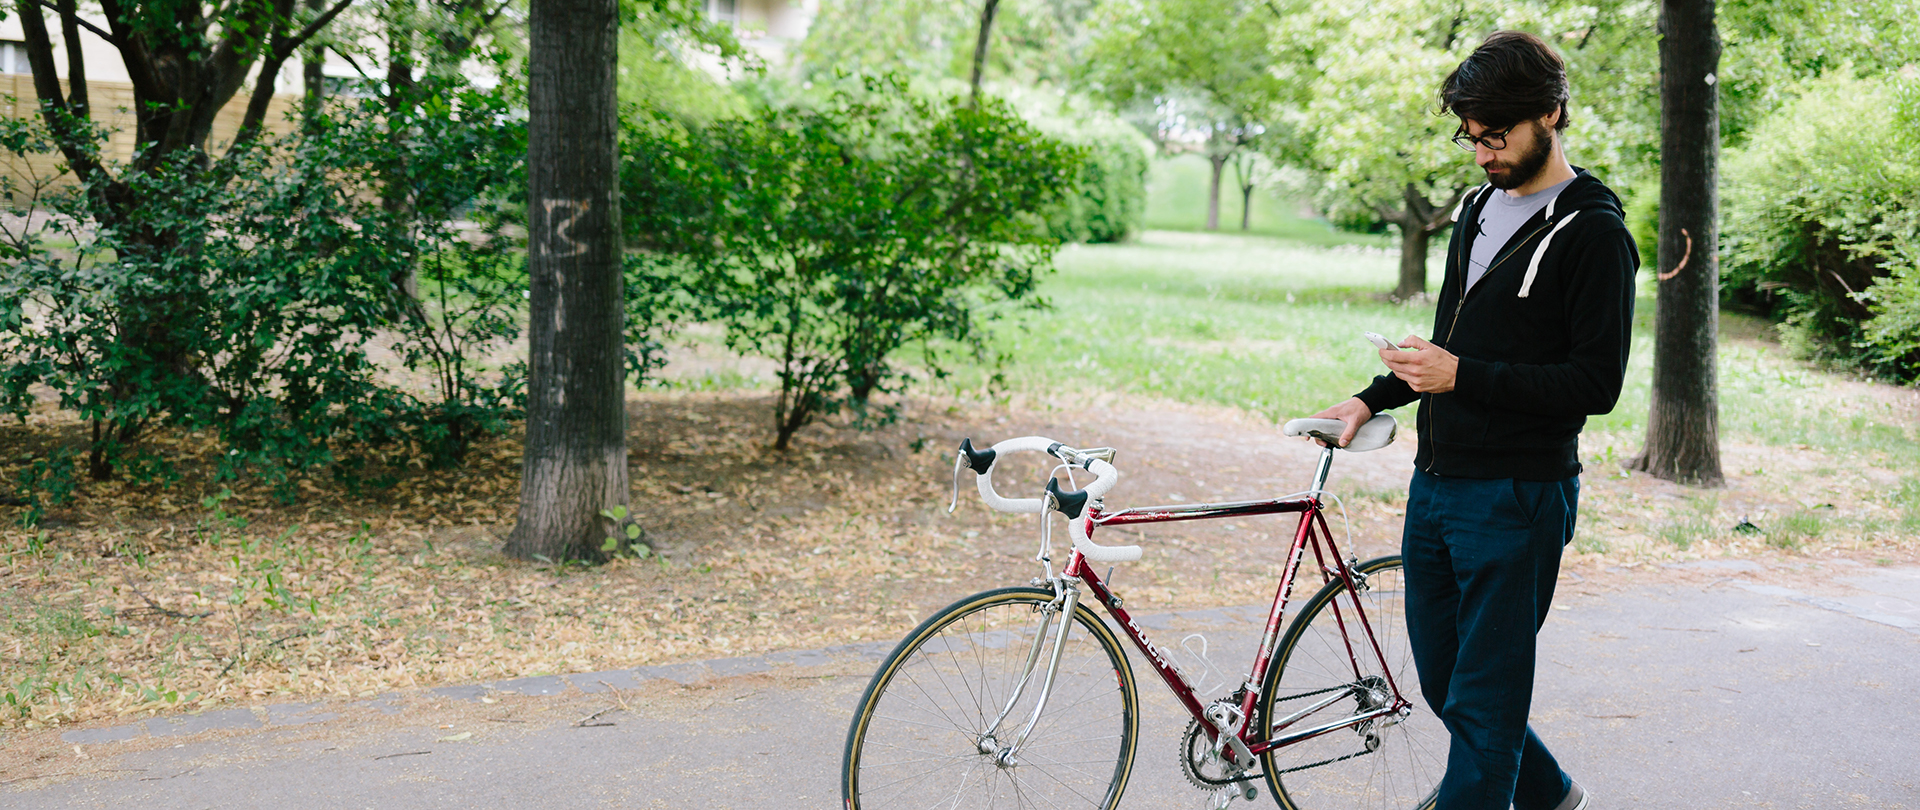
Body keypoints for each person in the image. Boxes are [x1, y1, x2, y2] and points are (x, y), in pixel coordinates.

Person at [1309, 30, 1636, 810]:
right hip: (1438, 486)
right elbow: (1450, 344)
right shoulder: (1478, 207)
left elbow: (1598, 383)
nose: (1484, 153)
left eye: (1499, 136)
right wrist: (1372, 396)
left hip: (1518, 498)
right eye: (1473, 138)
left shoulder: (1593, 233)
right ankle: (1551, 794)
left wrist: (1463, 377)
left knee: (1484, 714)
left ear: (1550, 115)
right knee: (1448, 684)